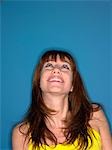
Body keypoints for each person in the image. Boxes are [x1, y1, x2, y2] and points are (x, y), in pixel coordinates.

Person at [12, 49, 112, 150]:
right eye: (49, 65)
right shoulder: (21, 133)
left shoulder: (94, 114)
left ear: (72, 85)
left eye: (65, 66)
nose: (56, 69)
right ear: (38, 82)